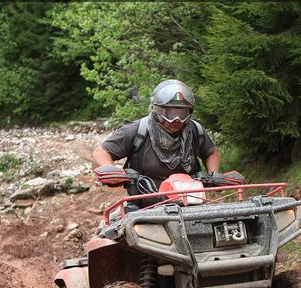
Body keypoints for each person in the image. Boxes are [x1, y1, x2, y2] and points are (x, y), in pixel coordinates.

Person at [92, 79, 220, 198]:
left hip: (192, 202)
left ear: (190, 112)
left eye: (182, 113)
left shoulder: (196, 130)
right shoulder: (137, 130)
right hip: (146, 207)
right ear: (156, 109)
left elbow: (211, 152)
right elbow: (101, 152)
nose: (176, 119)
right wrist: (113, 172)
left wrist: (214, 175)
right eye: (169, 113)